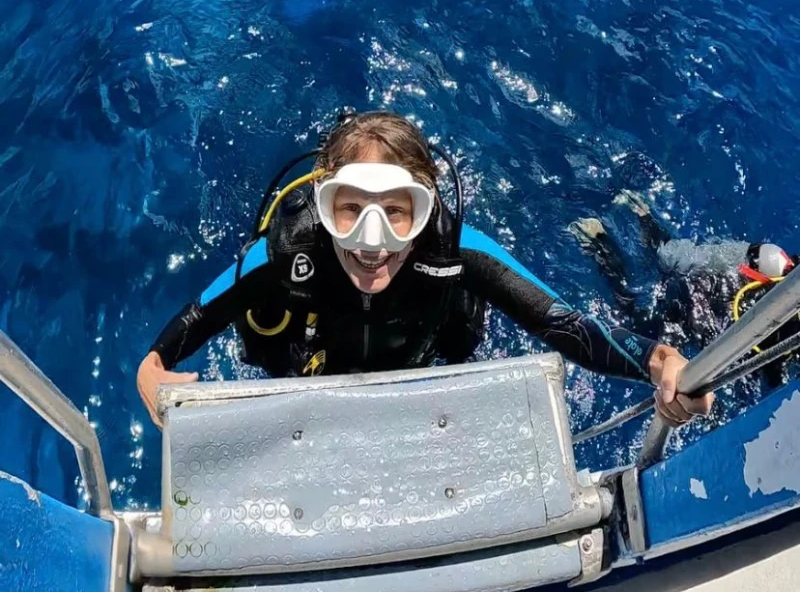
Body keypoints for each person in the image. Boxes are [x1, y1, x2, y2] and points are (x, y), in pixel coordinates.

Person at [137, 112, 713, 428]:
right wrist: (152, 373)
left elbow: (568, 327)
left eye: (396, 213)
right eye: (349, 209)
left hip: (425, 343)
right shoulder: (287, 250)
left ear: (426, 207)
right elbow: (170, 344)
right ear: (321, 204)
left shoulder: (456, 249)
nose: (372, 244)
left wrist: (659, 360)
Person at [571, 191, 799, 389]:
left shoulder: (777, 265)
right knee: (634, 320)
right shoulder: (772, 266)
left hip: (733, 296)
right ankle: (603, 243)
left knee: (665, 261)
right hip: (717, 299)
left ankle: (633, 221)